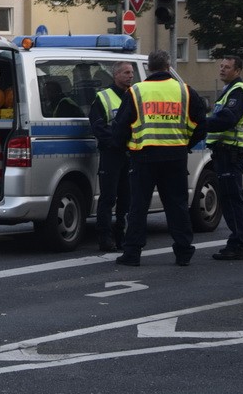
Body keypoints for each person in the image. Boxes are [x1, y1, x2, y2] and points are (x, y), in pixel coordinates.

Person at [112, 50, 207, 266]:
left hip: (143, 157)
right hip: (175, 157)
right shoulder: (185, 91)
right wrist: (185, 143)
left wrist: (126, 147)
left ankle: (132, 253)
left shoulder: (136, 92)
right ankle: (183, 252)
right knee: (177, 205)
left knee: (138, 206)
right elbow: (201, 125)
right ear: (168, 66)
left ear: (149, 68)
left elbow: (120, 128)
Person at [206, 55, 243, 261]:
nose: (222, 70)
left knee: (233, 200)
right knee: (230, 198)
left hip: (231, 154)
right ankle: (236, 242)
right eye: (221, 66)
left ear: (238, 70)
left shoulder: (238, 92)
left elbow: (227, 119)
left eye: (227, 67)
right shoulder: (229, 91)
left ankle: (238, 244)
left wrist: (203, 123)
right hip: (224, 153)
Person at [89, 61, 135, 252]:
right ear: (116, 75)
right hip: (111, 154)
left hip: (130, 153)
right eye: (126, 72)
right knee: (108, 198)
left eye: (132, 72)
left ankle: (120, 235)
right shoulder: (103, 97)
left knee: (126, 198)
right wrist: (117, 142)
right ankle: (105, 238)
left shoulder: (134, 96)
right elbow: (98, 127)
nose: (130, 76)